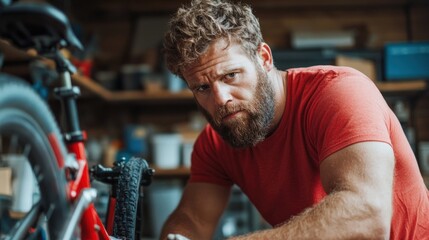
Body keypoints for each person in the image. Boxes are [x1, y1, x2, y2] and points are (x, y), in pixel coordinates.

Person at [160, 0, 429, 239]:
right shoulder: (216, 142)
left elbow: (367, 215)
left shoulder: (339, 93)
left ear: (264, 58)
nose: (220, 100)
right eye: (202, 88)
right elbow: (192, 219)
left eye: (230, 75)